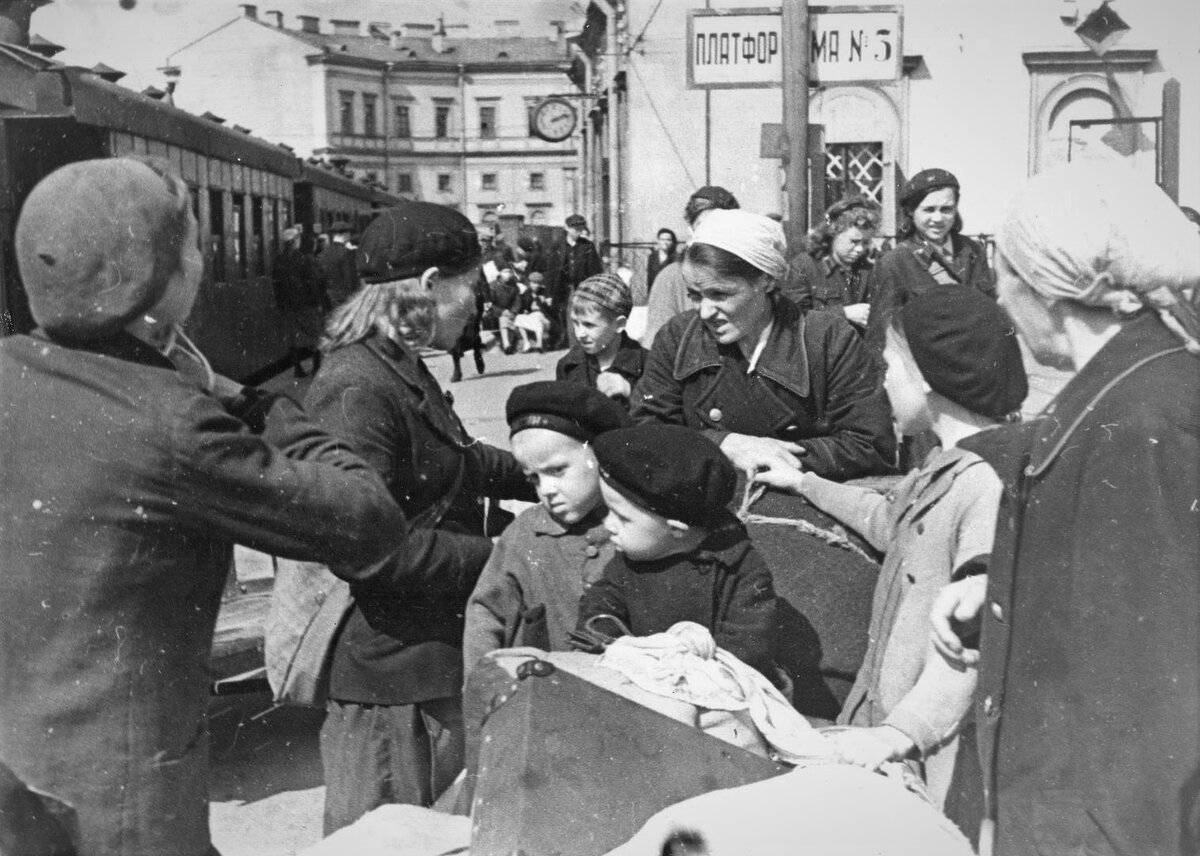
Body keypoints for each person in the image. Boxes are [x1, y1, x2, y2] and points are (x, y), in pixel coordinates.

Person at [0, 157, 407, 856]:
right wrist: (243, 399)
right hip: (128, 804)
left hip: (20, 778)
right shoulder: (173, 423)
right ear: (155, 279)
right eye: (189, 243)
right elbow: (369, 516)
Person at [928, 166, 1200, 855]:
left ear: (1040, 289)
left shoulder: (1139, 422)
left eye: (1003, 280)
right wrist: (1010, 595)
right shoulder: (1137, 389)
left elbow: (1150, 713)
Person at [305, 201, 535, 834]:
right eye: (472, 287)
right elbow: (371, 550)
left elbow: (457, 459)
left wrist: (556, 466)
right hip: (391, 690)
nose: (478, 305)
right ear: (429, 286)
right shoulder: (357, 389)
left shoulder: (393, 367)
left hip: (422, 665)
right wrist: (507, 555)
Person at [755, 287, 1027, 807]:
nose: (882, 383)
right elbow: (889, 522)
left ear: (925, 376)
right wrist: (805, 483)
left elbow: (976, 639)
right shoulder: (947, 467)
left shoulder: (984, 482)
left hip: (933, 745)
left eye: (888, 368)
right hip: (895, 729)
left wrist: (897, 733)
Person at [634, 208, 895, 482]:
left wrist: (773, 454)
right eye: (695, 296)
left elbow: (871, 445)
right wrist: (722, 444)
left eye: (720, 294)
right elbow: (644, 431)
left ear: (767, 280)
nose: (704, 312)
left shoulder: (829, 339)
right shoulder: (678, 337)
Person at [577, 423, 777, 678]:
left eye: (622, 518)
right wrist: (605, 645)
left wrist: (689, 665)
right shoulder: (627, 561)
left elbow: (749, 643)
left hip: (715, 686)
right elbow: (599, 612)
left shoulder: (739, 568)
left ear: (677, 530)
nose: (608, 526)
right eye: (607, 511)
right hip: (643, 680)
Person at [462, 382, 631, 675]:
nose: (547, 490)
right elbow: (487, 613)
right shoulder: (525, 533)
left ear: (601, 456)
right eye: (534, 479)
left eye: (556, 471)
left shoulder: (637, 527)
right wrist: (485, 685)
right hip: (543, 701)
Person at [865, 169, 994, 351]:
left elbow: (989, 311)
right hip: (924, 370)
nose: (938, 218)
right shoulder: (894, 263)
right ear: (910, 211)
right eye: (929, 210)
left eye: (946, 209)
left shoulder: (972, 250)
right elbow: (880, 338)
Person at [641, 186, 739, 348]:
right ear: (691, 230)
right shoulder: (672, 277)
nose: (713, 234)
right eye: (705, 225)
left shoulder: (749, 275)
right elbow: (657, 346)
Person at [782, 197, 882, 330]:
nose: (860, 249)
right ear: (833, 232)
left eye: (865, 243)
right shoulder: (804, 266)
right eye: (854, 241)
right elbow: (794, 319)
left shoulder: (869, 269)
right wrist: (844, 313)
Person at [556, 272, 647, 408]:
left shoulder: (648, 364)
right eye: (575, 323)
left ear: (619, 324)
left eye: (589, 325)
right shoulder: (568, 365)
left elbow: (662, 414)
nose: (580, 333)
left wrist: (630, 391)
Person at [272, 225, 328, 377]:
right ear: (296, 241)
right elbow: (311, 282)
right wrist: (317, 303)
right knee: (315, 335)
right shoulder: (303, 259)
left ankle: (298, 368)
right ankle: (316, 367)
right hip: (305, 304)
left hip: (287, 306)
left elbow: (276, 285)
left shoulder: (278, 261)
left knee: (292, 338)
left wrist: (280, 305)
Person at [318, 219, 359, 308]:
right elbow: (349, 278)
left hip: (328, 296)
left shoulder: (323, 253)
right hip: (344, 297)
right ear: (345, 234)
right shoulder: (347, 253)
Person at [513, 271, 553, 352]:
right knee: (519, 318)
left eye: (538, 283)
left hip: (545, 319)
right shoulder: (526, 293)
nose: (536, 285)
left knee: (538, 315)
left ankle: (539, 343)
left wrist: (545, 302)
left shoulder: (545, 292)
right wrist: (525, 310)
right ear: (530, 283)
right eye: (534, 283)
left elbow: (550, 310)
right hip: (532, 317)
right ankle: (526, 342)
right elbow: (523, 307)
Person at [646, 227, 678, 294]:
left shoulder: (676, 258)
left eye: (668, 240)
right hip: (655, 293)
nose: (665, 242)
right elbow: (649, 279)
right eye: (662, 239)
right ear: (658, 241)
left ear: (672, 242)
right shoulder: (652, 257)